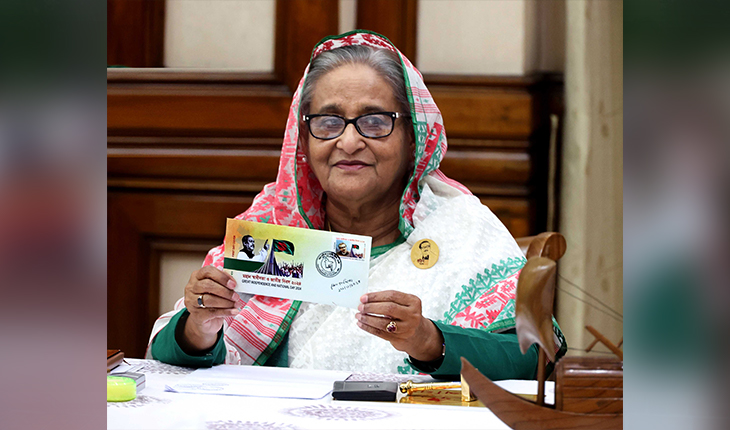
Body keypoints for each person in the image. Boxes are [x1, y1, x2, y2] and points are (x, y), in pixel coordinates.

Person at [147, 31, 566, 378]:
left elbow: (537, 352)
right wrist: (200, 325)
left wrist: (429, 340)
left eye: (374, 121)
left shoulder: (458, 226)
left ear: (412, 138)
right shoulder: (273, 226)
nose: (348, 142)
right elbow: (175, 360)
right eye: (328, 122)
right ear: (305, 138)